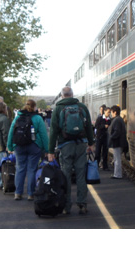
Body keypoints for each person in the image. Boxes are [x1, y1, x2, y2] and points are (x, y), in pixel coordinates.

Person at [48, 85, 95, 215]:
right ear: (73, 94)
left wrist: (50, 151)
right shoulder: (82, 107)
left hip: (65, 146)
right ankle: (82, 204)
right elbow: (89, 127)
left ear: (62, 95)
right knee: (81, 175)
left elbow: (53, 131)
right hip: (81, 145)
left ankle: (66, 206)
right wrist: (91, 143)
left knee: (66, 176)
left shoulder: (58, 109)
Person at [7, 99, 49, 200]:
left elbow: (11, 132)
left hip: (19, 146)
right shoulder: (38, 118)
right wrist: (47, 149)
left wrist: (10, 146)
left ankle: (18, 193)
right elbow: (43, 134)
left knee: (20, 169)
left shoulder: (17, 117)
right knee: (32, 170)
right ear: (34, 107)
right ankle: (30, 193)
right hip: (34, 146)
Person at [108, 105, 127, 179]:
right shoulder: (119, 119)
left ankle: (118, 174)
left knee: (117, 159)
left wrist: (111, 137)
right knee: (116, 159)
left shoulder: (117, 120)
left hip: (118, 142)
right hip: (119, 142)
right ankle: (117, 174)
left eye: (112, 112)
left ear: (115, 112)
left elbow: (117, 132)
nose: (111, 114)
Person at [94, 105, 111, 171]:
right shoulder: (100, 118)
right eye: (108, 112)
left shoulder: (110, 120)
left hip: (106, 137)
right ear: (104, 111)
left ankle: (105, 166)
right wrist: (104, 126)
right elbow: (96, 126)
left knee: (105, 152)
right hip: (99, 137)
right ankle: (96, 165)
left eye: (109, 112)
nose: (109, 114)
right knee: (97, 152)